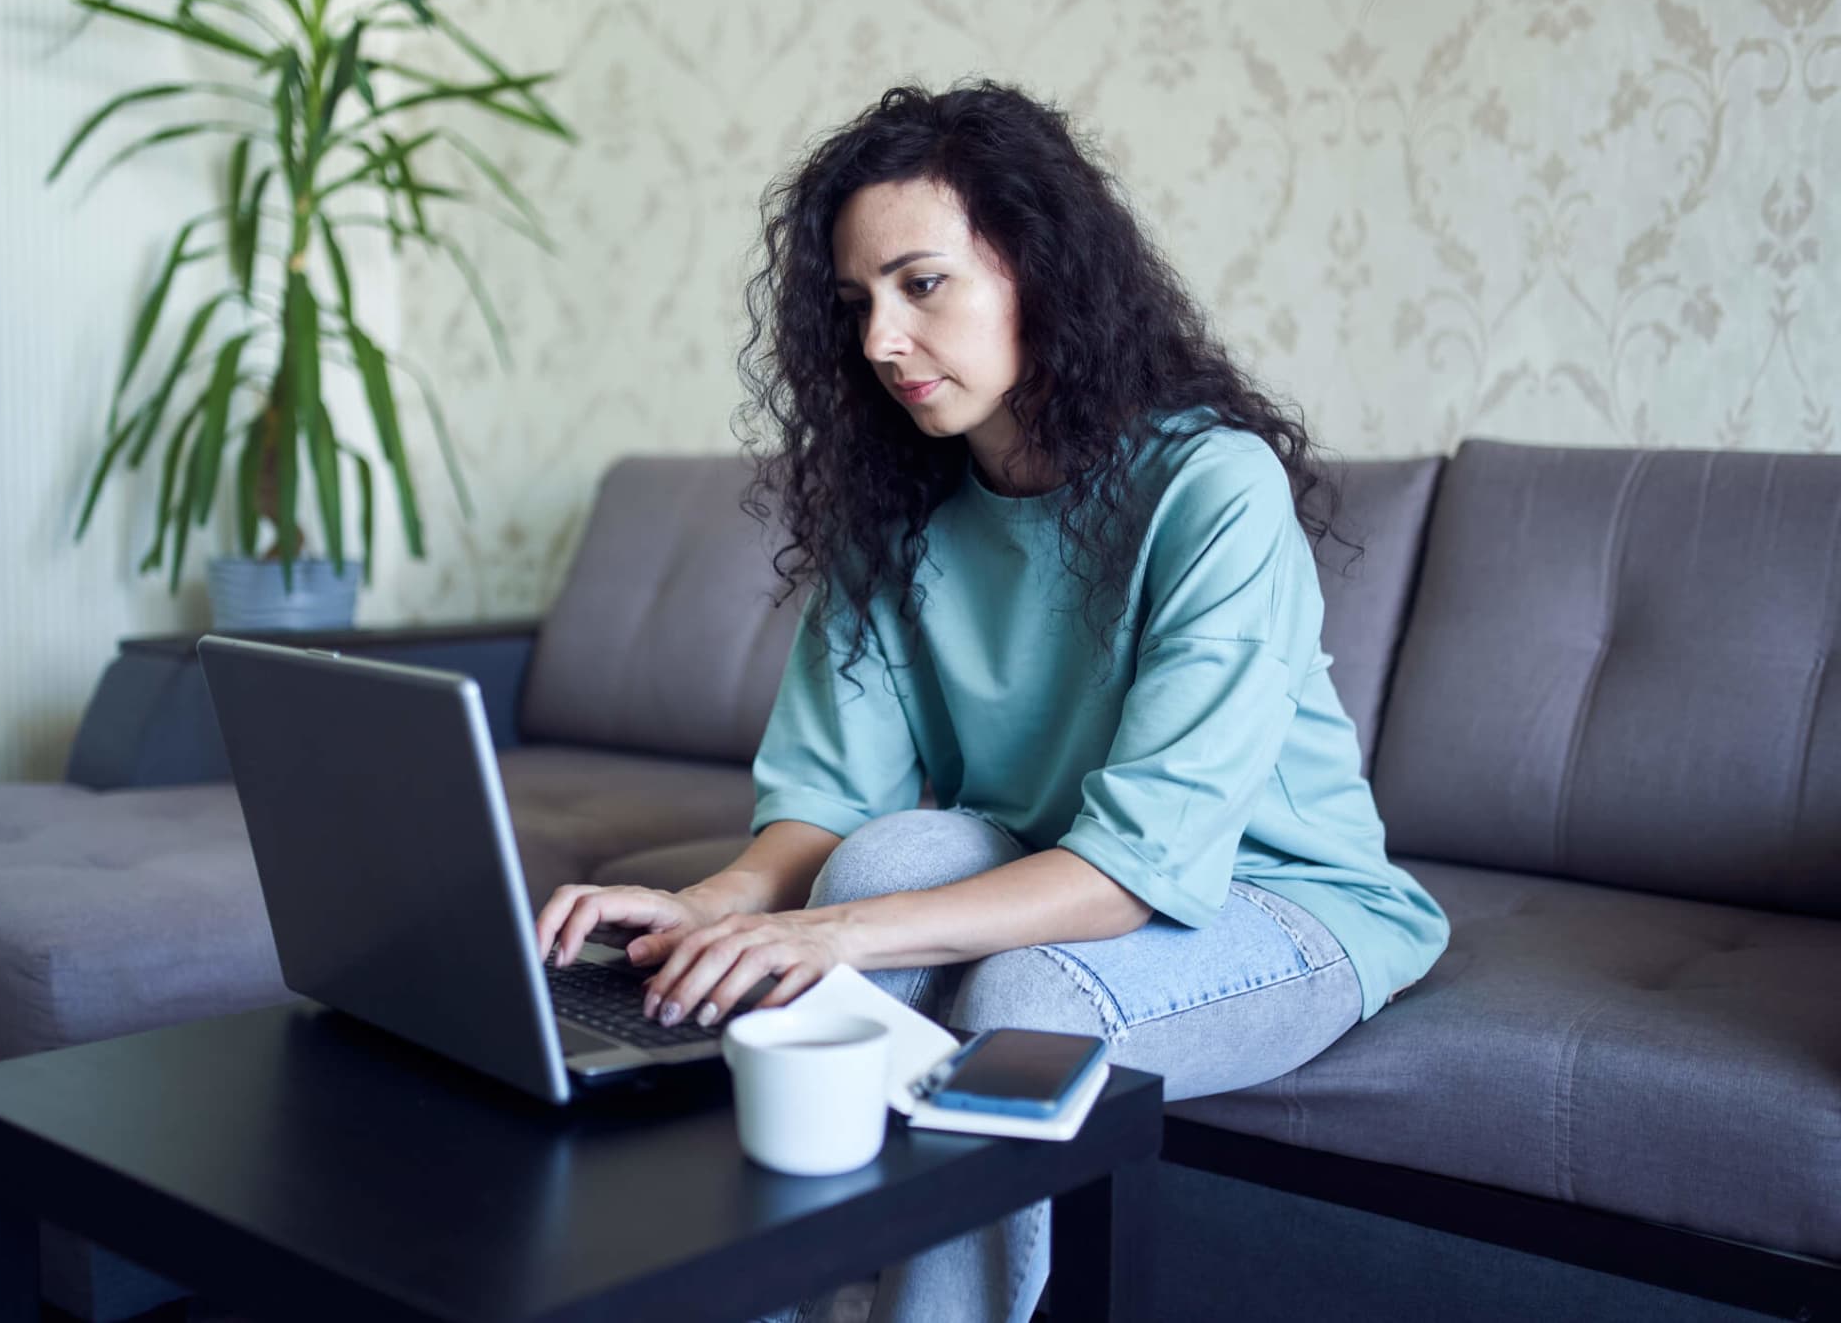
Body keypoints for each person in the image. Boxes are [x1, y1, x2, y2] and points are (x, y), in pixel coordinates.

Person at [534, 79, 1450, 1323]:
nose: (878, 342)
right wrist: (702, 909)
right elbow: (821, 806)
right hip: (1041, 864)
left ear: (1041, 273)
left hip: (1279, 897)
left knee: (1024, 994)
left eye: (922, 285)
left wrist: (828, 941)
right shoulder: (892, 507)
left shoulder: (1209, 489)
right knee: (878, 858)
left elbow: (1137, 863)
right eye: (857, 303)